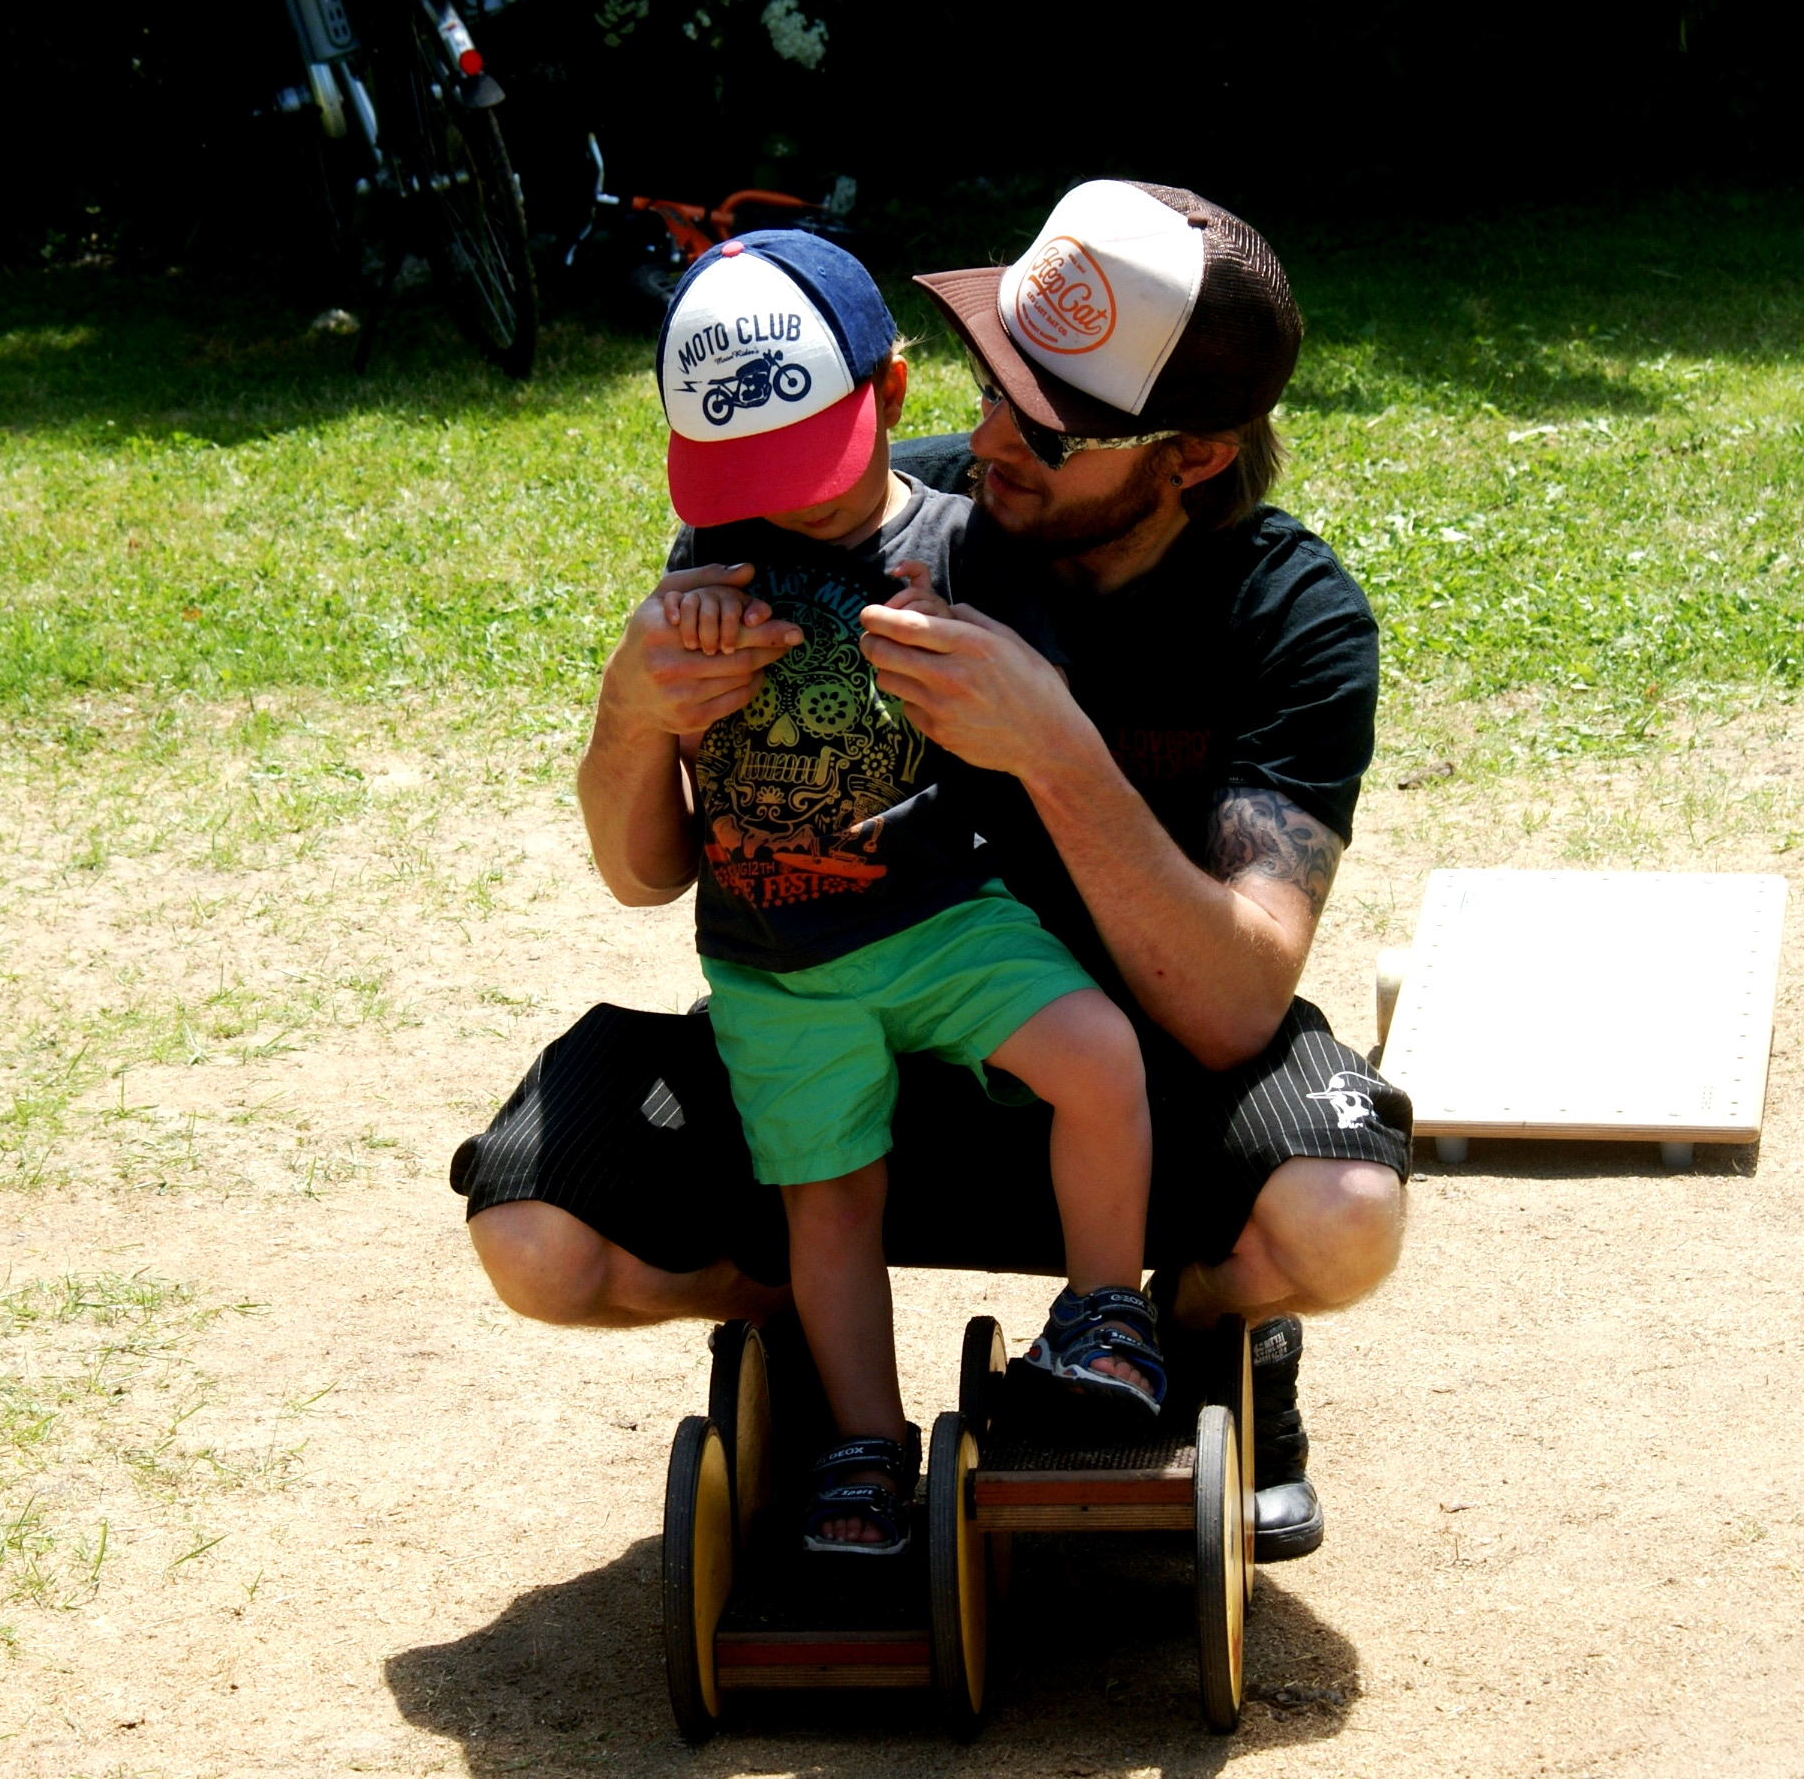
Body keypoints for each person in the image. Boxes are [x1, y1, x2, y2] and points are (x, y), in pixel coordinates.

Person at [454, 179, 1412, 1562]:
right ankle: (807, 1345)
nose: (995, 440)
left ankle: (1199, 1332)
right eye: (994, 385)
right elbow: (645, 868)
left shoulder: (1287, 616)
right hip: (840, 1054)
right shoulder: (835, 509)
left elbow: (1230, 1009)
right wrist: (631, 715)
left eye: (1055, 427)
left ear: (1195, 457)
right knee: (540, 1240)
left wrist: (1056, 752)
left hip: (1123, 1088)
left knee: (1341, 1218)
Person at [641, 228, 1167, 1556]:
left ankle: (1107, 1316)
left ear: (891, 394)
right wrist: (684, 637)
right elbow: (667, 691)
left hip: (940, 915)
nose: (783, 506)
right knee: (830, 1199)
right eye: (751, 477)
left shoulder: (962, 539)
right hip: (772, 956)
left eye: (807, 469)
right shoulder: (712, 542)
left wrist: (970, 642)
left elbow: (1043, 707)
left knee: (1100, 1056)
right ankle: (865, 1448)